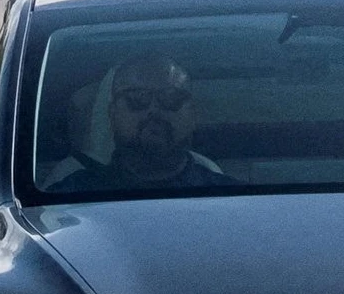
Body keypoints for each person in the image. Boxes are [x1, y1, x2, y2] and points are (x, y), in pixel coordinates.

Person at [51, 55, 231, 193]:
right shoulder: (64, 202)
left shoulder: (234, 199)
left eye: (170, 98)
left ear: (193, 113)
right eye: (136, 99)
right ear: (112, 114)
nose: (154, 110)